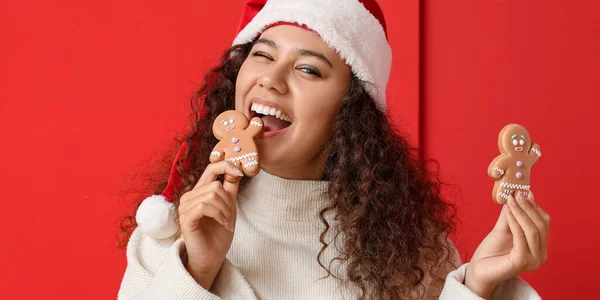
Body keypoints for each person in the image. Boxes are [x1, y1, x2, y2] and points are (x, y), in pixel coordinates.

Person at [117, 0, 550, 299]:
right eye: (262, 55)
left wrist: (477, 285)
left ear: (351, 112)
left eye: (308, 68)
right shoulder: (173, 228)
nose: (270, 78)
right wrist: (198, 269)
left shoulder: (408, 251)